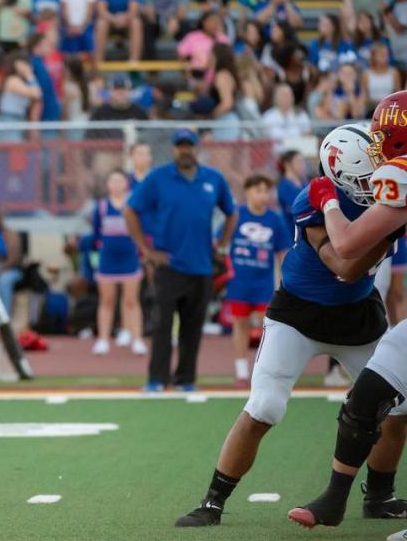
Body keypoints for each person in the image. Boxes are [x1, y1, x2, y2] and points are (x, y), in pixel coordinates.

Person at [176, 124, 407, 528]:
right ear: (342, 172)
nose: (378, 173)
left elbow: (352, 268)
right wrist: (330, 206)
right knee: (265, 405)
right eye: (368, 167)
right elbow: (339, 264)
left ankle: (379, 495)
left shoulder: (383, 203)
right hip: (298, 315)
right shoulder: (310, 198)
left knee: (398, 408)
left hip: (357, 316)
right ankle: (213, 500)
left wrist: (333, 206)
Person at [283, 92, 407, 540]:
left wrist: (329, 202)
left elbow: (349, 249)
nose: (376, 147)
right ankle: (336, 498)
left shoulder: (400, 173)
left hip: (351, 271)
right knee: (371, 390)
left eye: (382, 136)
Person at [124, 129, 237, 392]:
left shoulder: (213, 179)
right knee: (162, 326)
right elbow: (131, 210)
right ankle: (156, 380)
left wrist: (222, 246)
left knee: (193, 327)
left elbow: (231, 213)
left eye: (189, 146)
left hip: (202, 266)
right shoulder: (158, 178)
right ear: (174, 149)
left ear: (197, 149)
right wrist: (146, 249)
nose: (185, 150)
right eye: (180, 146)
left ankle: (186, 380)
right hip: (168, 265)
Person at [227, 175, 291, 384]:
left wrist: (286, 281)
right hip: (239, 283)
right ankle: (241, 371)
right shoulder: (236, 215)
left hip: (263, 284)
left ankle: (263, 370)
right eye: (258, 190)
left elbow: (283, 253)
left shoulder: (274, 219)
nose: (263, 195)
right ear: (247, 192)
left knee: (268, 327)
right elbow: (221, 243)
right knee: (240, 324)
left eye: (266, 191)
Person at [85, 169, 145, 356]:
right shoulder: (101, 208)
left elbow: (141, 230)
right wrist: (96, 259)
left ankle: (137, 339)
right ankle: (103, 339)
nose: (117, 185)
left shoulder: (132, 206)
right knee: (107, 301)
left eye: (120, 181)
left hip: (129, 259)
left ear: (126, 184)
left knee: (131, 301)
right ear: (108, 185)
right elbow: (95, 236)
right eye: (113, 181)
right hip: (108, 261)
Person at [94, 0, 143, 65]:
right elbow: (102, 10)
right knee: (101, 23)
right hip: (110, 21)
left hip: (126, 22)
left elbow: (133, 9)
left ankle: (134, 60)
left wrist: (125, 17)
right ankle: (98, 60)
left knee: (136, 23)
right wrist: (114, 19)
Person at [277, 149, 308, 229]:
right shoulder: (285, 186)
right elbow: (299, 210)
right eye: (299, 162)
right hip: (293, 232)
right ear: (287, 165)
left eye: (303, 162)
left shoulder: (304, 183)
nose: (303, 165)